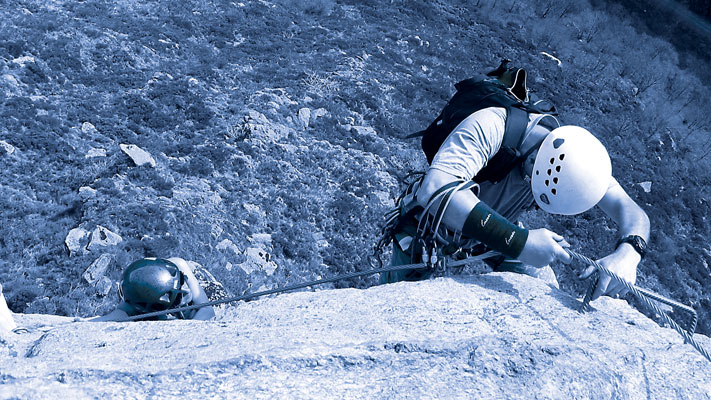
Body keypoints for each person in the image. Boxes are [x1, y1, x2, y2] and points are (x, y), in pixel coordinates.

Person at [380, 64, 650, 302]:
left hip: (495, 222)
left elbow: (630, 209)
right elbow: (436, 189)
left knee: (544, 292)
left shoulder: (577, 161)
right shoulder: (491, 126)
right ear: (536, 165)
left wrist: (630, 252)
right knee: (392, 308)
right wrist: (519, 241)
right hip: (431, 230)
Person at [91, 257, 215, 321]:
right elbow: (119, 314)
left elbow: (208, 309)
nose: (187, 291)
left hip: (209, 289)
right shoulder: (137, 294)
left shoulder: (178, 265)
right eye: (179, 297)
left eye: (183, 282)